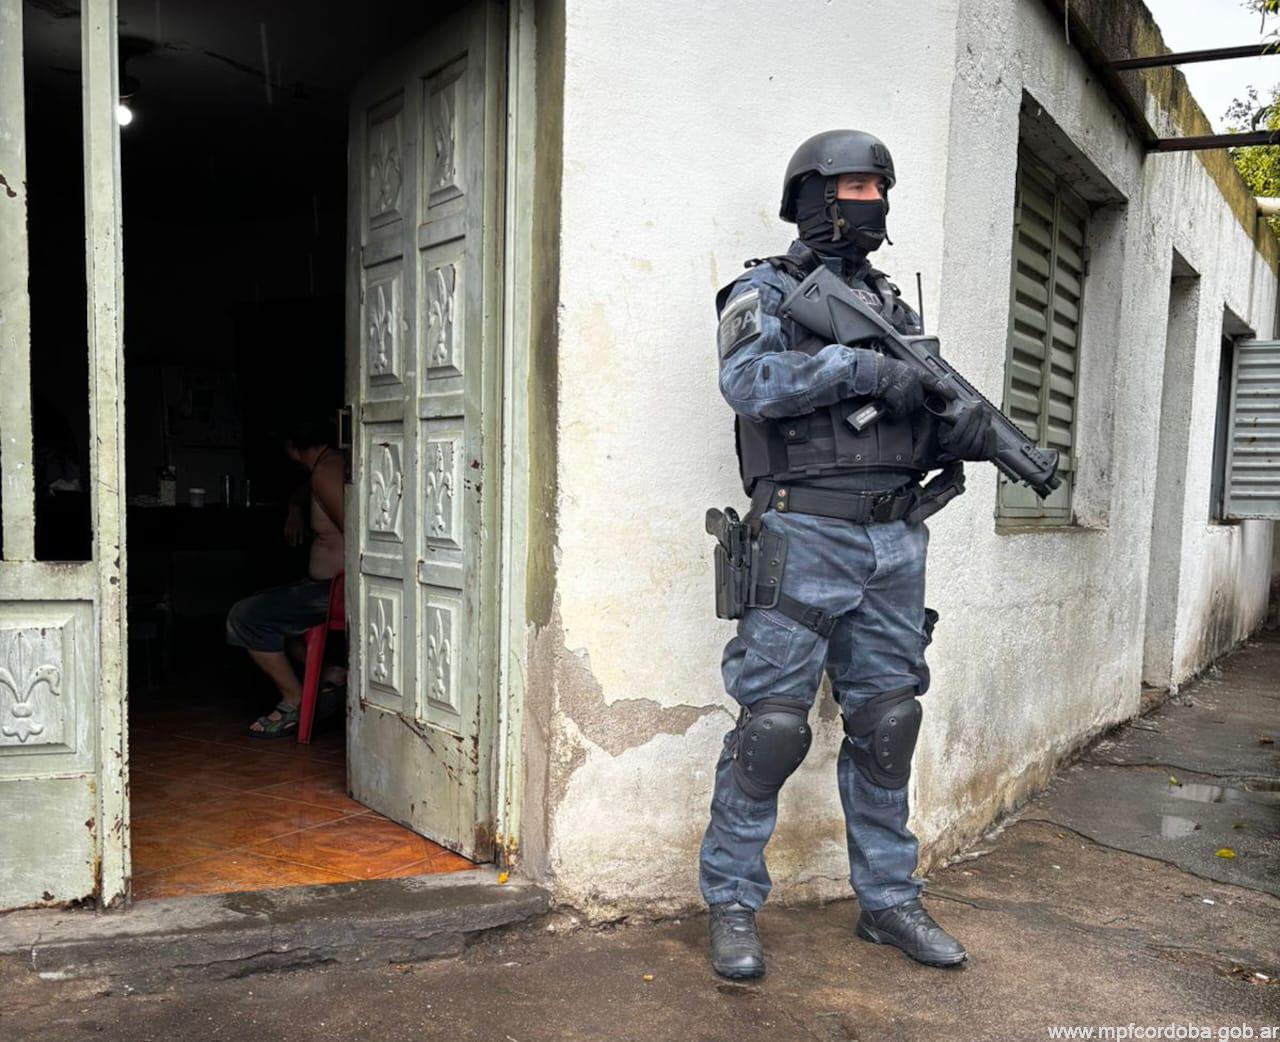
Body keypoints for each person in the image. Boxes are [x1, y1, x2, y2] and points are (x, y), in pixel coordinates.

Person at [699, 129, 998, 979]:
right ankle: (731, 903)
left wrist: (957, 429)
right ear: (812, 199)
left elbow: (914, 407)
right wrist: (859, 372)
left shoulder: (890, 308)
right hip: (803, 532)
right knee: (772, 728)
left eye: (880, 189)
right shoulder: (763, 290)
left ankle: (889, 901)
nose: (871, 202)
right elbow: (749, 383)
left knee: (888, 724)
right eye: (855, 187)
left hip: (896, 538)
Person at [226, 418, 346, 738]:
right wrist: (295, 504)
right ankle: (334, 677)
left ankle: (295, 700)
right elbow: (311, 490)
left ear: (292, 448)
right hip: (325, 587)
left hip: (336, 591)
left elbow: (357, 532)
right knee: (280, 619)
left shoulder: (325, 472)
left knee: (246, 616)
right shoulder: (327, 467)